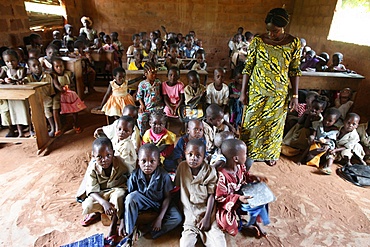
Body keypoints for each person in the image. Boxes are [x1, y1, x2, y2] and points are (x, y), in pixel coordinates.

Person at [239, 7, 302, 166]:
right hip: (257, 91)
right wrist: (243, 92)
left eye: (274, 31)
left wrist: (295, 96)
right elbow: (248, 67)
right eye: (268, 30)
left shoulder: (293, 43)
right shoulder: (258, 41)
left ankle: (270, 153)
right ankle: (248, 152)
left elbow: (295, 70)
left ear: (283, 27)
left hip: (279, 93)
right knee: (251, 123)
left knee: (273, 126)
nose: (270, 34)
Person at [118, 144, 182, 245]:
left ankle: (146, 231)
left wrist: (160, 218)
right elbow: (128, 198)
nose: (148, 164)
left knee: (177, 217)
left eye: (152, 161)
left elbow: (167, 197)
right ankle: (129, 234)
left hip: (160, 203)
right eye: (143, 161)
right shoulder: (134, 175)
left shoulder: (164, 176)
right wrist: (122, 221)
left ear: (158, 162)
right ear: (138, 162)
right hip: (143, 202)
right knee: (131, 197)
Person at [78, 138, 132, 243]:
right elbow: (91, 190)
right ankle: (99, 212)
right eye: (99, 157)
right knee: (87, 205)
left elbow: (131, 176)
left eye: (108, 155)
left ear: (113, 153)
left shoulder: (120, 162)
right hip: (101, 194)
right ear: (93, 156)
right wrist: (103, 202)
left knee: (119, 197)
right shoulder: (93, 168)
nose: (104, 160)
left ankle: (113, 225)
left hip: (116, 190)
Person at [175, 139, 226, 247]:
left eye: (198, 155)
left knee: (219, 242)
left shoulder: (210, 171)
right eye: (190, 154)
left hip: (208, 214)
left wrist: (207, 218)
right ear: (185, 153)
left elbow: (212, 195)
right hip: (190, 215)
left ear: (204, 157)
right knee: (185, 244)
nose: (193, 158)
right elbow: (178, 188)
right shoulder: (182, 167)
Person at [215, 139, 270, 237]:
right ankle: (242, 225)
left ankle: (254, 221)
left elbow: (245, 175)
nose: (246, 156)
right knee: (225, 222)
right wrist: (238, 198)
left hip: (241, 194)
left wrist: (253, 177)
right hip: (229, 202)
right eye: (245, 154)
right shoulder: (222, 176)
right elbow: (220, 198)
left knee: (262, 195)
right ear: (235, 158)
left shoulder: (240, 166)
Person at [297, 108, 341, 172]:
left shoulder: (334, 130)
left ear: (335, 122)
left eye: (330, 121)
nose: (326, 121)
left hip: (328, 144)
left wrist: (325, 141)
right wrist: (312, 137)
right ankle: (300, 160)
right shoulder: (318, 124)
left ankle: (328, 167)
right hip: (317, 141)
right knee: (309, 147)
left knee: (330, 154)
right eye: (325, 118)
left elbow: (330, 139)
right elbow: (314, 133)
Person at [51, 57, 86, 135]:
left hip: (69, 93)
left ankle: (75, 123)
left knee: (74, 106)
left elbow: (73, 84)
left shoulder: (68, 74)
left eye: (61, 66)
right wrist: (62, 89)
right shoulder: (54, 76)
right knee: (55, 107)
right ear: (53, 68)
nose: (59, 68)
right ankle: (57, 127)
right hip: (59, 95)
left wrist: (69, 87)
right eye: (57, 67)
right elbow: (57, 86)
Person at [0, 49, 30, 137]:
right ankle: (20, 132)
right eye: (7, 61)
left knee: (25, 112)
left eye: (13, 60)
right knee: (15, 114)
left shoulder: (22, 69)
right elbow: (1, 78)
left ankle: (31, 129)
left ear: (18, 60)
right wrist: (4, 80)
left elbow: (20, 79)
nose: (10, 63)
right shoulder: (5, 70)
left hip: (21, 95)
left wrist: (12, 80)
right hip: (11, 96)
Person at [26, 58, 56, 137]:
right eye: (34, 66)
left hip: (46, 98)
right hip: (34, 99)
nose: (37, 67)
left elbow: (51, 91)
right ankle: (32, 129)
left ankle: (53, 128)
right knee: (30, 111)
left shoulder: (47, 76)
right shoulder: (28, 78)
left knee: (46, 110)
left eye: (38, 65)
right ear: (29, 68)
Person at [136, 62, 164, 136]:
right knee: (141, 118)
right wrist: (141, 105)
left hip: (157, 107)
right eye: (152, 73)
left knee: (159, 119)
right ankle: (143, 135)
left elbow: (161, 93)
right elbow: (139, 96)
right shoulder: (142, 84)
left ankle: (156, 135)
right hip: (146, 107)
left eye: (155, 73)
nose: (154, 75)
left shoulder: (158, 82)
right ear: (145, 73)